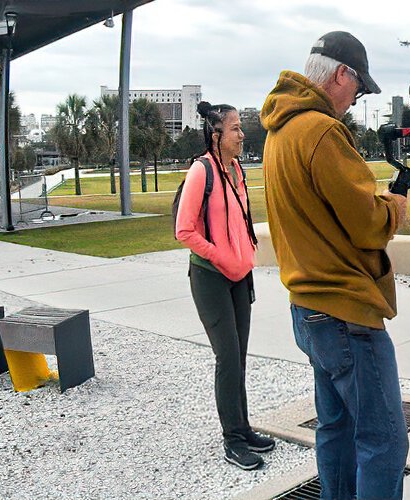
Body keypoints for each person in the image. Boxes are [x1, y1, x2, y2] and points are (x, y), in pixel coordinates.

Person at [261, 31, 410, 498]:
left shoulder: (280, 129)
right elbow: (368, 224)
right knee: (384, 441)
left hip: (307, 309)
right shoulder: (322, 131)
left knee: (337, 431)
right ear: (341, 74)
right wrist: (395, 202)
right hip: (347, 315)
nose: (356, 98)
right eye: (359, 87)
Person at [174, 101, 275, 470]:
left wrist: (245, 254)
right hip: (210, 278)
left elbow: (240, 220)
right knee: (227, 357)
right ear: (216, 135)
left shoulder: (237, 170)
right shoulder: (202, 171)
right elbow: (183, 230)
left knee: (239, 357)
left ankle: (243, 428)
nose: (241, 134)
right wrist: (221, 257)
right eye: (235, 128)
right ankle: (232, 441)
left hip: (239, 277)